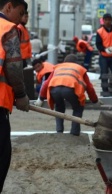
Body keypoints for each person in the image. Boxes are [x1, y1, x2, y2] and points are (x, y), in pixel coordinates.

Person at [0, 0, 29, 192]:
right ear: (9, 7)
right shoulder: (8, 29)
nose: (21, 19)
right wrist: (21, 94)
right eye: (20, 12)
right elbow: (13, 66)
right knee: (1, 156)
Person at [35, 54, 99, 136]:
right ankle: (74, 133)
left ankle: (59, 131)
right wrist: (95, 100)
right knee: (78, 108)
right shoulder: (80, 68)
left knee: (59, 107)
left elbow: (46, 83)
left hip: (54, 89)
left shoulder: (58, 67)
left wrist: (40, 98)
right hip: (70, 89)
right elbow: (89, 88)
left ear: (64, 62)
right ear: (76, 62)